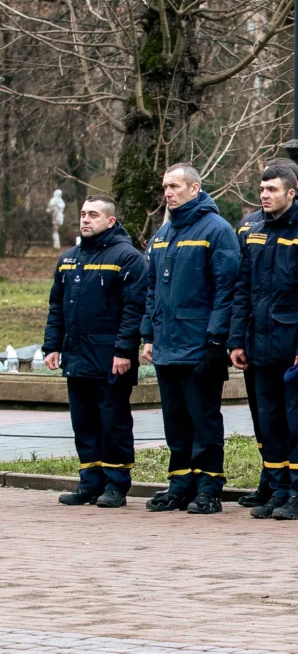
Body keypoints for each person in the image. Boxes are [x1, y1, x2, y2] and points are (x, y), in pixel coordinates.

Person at [228, 165, 298, 520]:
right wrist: (237, 341)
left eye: (272, 189)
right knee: (270, 422)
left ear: (291, 193)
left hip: (293, 350)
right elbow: (243, 289)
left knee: (297, 422)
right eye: (262, 188)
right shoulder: (255, 231)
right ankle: (277, 488)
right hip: (259, 345)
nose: (264, 195)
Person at [141, 164, 240, 514]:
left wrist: (215, 340)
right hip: (167, 345)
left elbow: (226, 290)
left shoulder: (217, 231)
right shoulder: (163, 234)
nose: (168, 193)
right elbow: (151, 289)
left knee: (204, 421)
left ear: (195, 189)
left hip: (199, 346)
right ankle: (179, 484)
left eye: (175, 186)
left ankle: (209, 488)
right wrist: (148, 334)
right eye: (165, 186)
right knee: (176, 422)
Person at [42, 195, 147, 508]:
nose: (85, 220)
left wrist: (124, 350)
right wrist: (52, 345)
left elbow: (134, 309)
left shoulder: (127, 258)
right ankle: (90, 481)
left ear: (110, 221)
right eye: (83, 214)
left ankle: (116, 483)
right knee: (83, 422)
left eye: (93, 215)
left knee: (112, 422)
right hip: (76, 356)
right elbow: (56, 307)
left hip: (110, 358)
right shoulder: (68, 259)